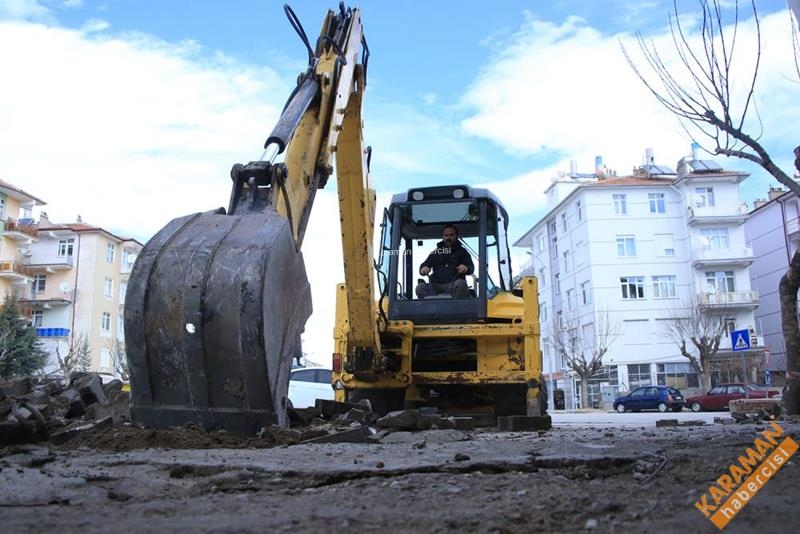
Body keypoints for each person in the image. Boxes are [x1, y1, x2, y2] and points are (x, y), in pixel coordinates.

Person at [415, 224, 475, 299]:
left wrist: (466, 268)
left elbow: (471, 268)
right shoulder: (436, 252)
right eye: (446, 235)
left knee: (461, 283)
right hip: (435, 286)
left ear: (456, 236)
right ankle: (430, 309)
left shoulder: (462, 252)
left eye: (451, 235)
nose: (448, 237)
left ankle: (457, 309)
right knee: (420, 288)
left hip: (453, 285)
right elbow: (424, 265)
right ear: (443, 237)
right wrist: (423, 269)